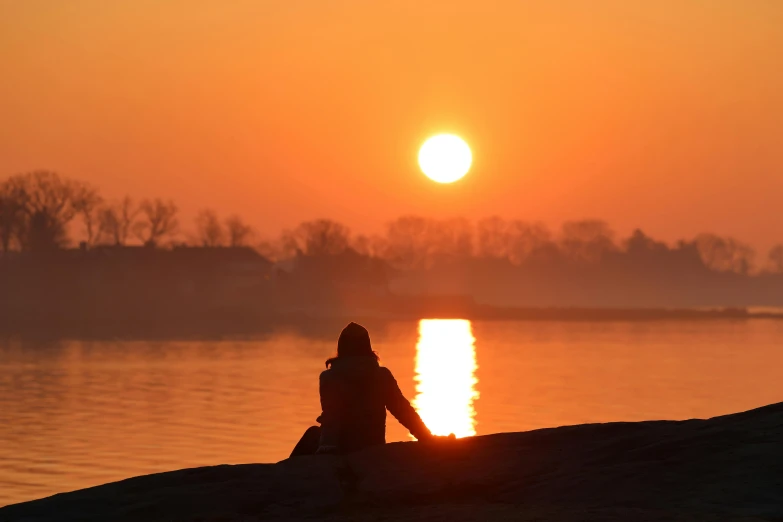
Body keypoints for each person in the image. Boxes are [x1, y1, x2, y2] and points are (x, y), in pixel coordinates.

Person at [290, 322, 433, 456]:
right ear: (368, 348)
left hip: (341, 448)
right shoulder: (382, 375)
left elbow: (332, 416)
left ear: (341, 348)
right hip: (372, 446)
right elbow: (403, 411)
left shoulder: (330, 377)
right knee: (313, 433)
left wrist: (327, 447)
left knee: (312, 434)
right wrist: (427, 437)